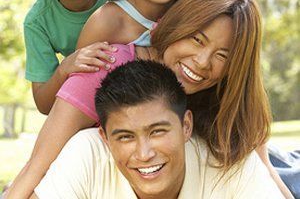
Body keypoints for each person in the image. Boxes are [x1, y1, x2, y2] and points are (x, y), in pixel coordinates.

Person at [4, 0, 289, 198]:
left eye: (222, 56)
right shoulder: (104, 67)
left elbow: (263, 167)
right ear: (176, 25)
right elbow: (36, 167)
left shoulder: (229, 92)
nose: (202, 62)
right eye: (197, 40)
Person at [31, 60, 283, 198]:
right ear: (105, 138)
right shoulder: (86, 154)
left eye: (157, 131)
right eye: (126, 137)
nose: (144, 153)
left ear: (186, 125)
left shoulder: (229, 160)